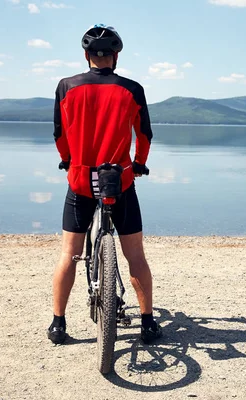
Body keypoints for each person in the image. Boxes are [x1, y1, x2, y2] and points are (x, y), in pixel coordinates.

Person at [47, 24, 162, 345]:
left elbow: (59, 133)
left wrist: (68, 159)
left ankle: (58, 324)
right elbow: (145, 134)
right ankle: (148, 322)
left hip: (82, 178)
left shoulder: (66, 86)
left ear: (86, 55)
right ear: (116, 56)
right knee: (135, 254)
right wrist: (138, 163)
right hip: (119, 179)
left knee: (69, 253)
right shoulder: (132, 88)